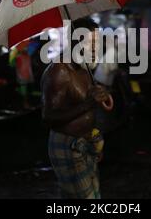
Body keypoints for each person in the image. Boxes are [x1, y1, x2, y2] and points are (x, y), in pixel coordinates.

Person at [41, 18, 111, 199]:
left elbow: (85, 98)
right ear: (74, 42)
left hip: (86, 142)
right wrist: (89, 103)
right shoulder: (59, 72)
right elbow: (48, 118)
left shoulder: (84, 68)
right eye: (90, 43)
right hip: (67, 145)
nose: (96, 48)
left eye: (98, 42)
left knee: (87, 195)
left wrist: (99, 93)